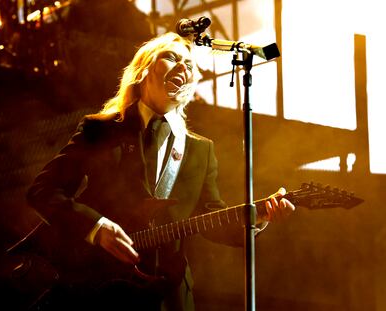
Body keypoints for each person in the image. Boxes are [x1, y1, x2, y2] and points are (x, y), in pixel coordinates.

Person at [26, 32, 295, 310]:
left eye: (190, 65)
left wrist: (259, 217)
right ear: (142, 70)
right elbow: (43, 191)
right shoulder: (102, 130)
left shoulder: (200, 150)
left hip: (169, 292)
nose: (184, 67)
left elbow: (211, 220)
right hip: (100, 287)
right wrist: (96, 227)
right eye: (171, 57)